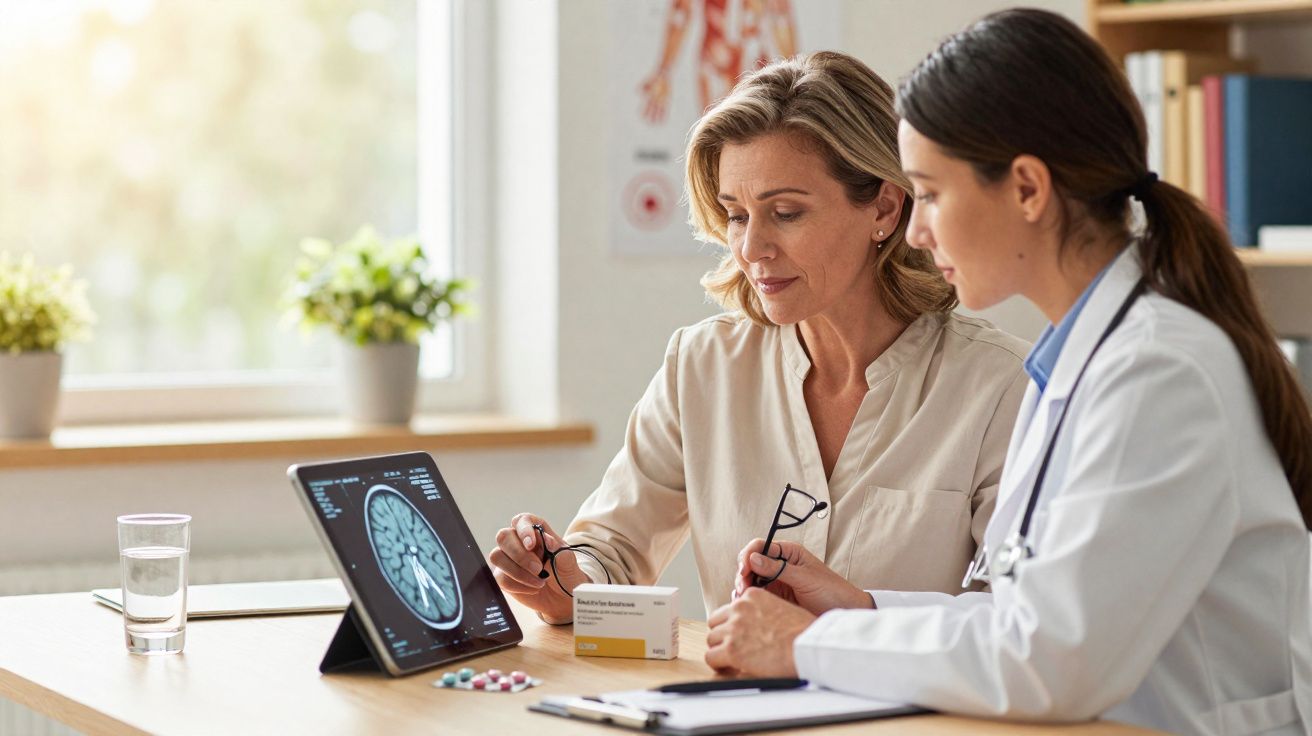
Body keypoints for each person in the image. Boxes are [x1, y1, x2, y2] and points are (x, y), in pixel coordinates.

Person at [705, 10, 1312, 735]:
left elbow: (1050, 662)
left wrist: (804, 645)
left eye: (929, 193)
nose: (917, 230)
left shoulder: (1158, 370)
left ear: (1027, 189)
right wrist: (861, 609)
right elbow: (1022, 617)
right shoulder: (1074, 361)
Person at [488, 51, 1030, 625]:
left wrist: (860, 619)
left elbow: (1015, 622)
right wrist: (569, 580)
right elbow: (613, 549)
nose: (751, 249)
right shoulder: (700, 366)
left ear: (885, 209)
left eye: (787, 213)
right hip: (734, 710)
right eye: (737, 215)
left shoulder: (1000, 387)